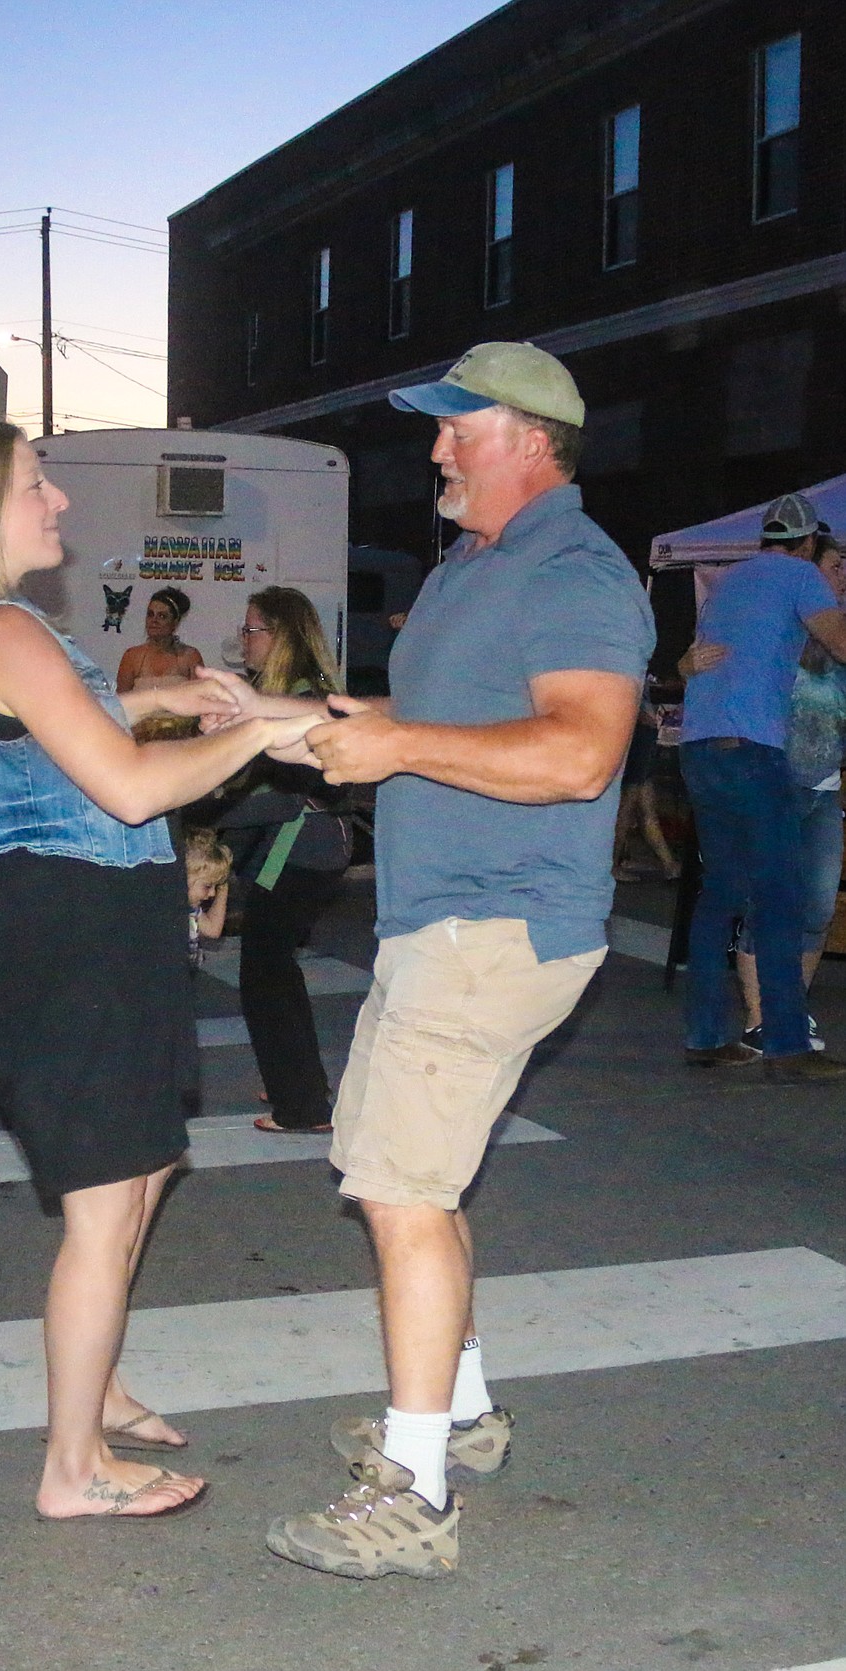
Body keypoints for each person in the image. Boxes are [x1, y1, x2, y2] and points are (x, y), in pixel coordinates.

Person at [209, 342, 654, 1578]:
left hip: (496, 924)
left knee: (401, 1190)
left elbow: (576, 756)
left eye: (459, 425)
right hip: (444, 920)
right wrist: (268, 718)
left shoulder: (572, 568)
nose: (437, 446)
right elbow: (404, 733)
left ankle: (415, 1496)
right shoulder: (475, 566)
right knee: (409, 1179)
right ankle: (462, 1414)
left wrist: (401, 748)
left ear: (527, 435)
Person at [0, 418, 319, 1521]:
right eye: (33, 484)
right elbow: (134, 791)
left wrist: (149, 703)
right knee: (109, 1203)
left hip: (36, 929)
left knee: (140, 1165)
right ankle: (73, 1470)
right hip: (69, 938)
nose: (55, 501)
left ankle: (95, 1384)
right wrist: (251, 727)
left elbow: (29, 743)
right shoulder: (5, 629)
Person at [678, 493, 846, 1081]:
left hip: (701, 751)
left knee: (721, 893)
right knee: (780, 901)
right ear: (806, 544)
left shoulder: (731, 582)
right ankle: (786, 1046)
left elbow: (696, 661)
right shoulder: (800, 574)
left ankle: (705, 1037)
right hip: (753, 752)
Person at [216, 586, 353, 1133]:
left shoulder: (299, 698)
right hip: (299, 852)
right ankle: (296, 1085)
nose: (244, 641)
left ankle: (302, 1105)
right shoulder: (291, 692)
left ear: (281, 637)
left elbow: (292, 793)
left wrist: (207, 808)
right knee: (273, 970)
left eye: (253, 631)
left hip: (305, 853)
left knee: (267, 972)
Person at [612, 674, 679, 881]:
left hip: (642, 728)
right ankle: (612, 864)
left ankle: (669, 864)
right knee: (630, 801)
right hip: (640, 727)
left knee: (644, 803)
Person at [115, 587, 204, 692]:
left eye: (162, 616)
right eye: (150, 614)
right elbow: (120, 703)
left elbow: (201, 701)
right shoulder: (132, 657)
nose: (154, 621)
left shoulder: (190, 657)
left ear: (175, 622)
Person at [184, 827, 231, 969]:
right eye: (207, 886)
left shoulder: (192, 909)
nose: (212, 894)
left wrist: (223, 885)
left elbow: (213, 930)